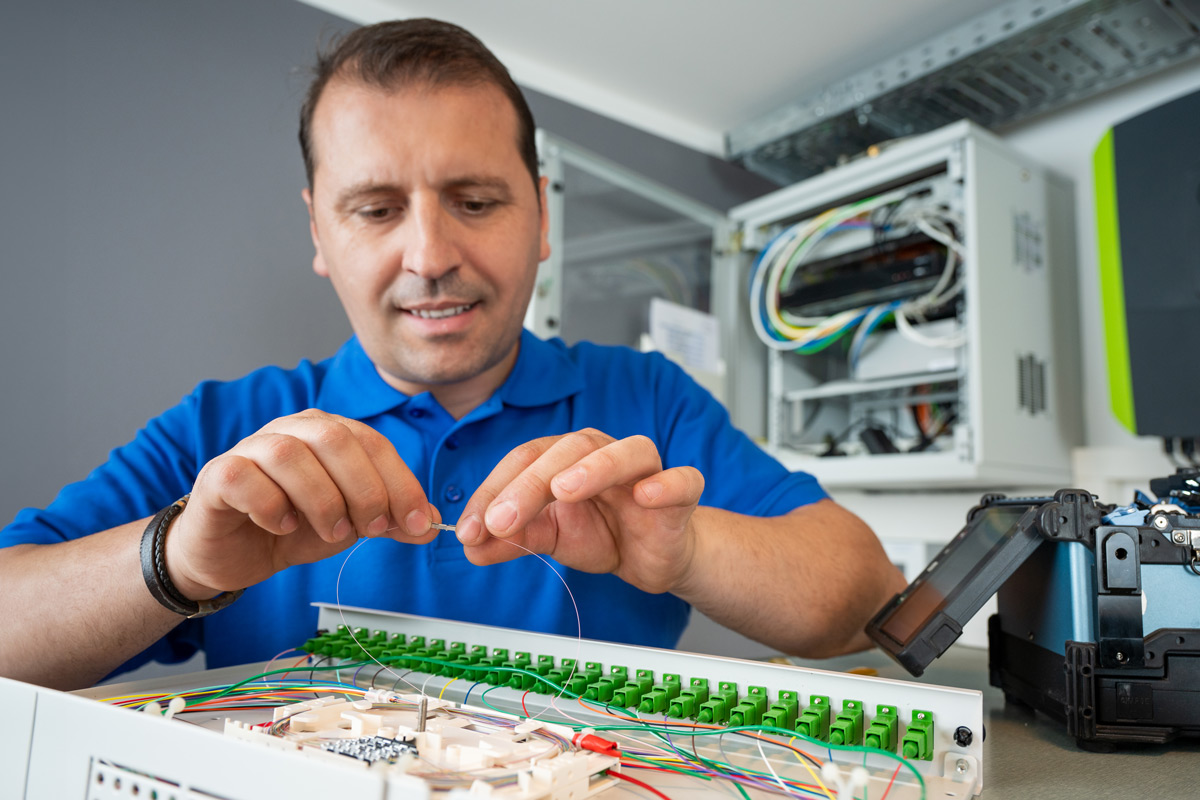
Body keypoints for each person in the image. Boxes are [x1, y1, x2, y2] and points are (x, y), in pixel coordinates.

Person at [0, 19, 905, 691]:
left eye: (475, 202)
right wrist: (177, 562)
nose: (430, 256)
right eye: (376, 209)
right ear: (319, 231)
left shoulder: (648, 401)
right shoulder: (222, 431)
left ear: (541, 218)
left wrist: (687, 548)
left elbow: (869, 597)